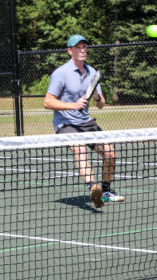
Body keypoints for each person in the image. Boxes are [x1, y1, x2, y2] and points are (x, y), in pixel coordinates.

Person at [43, 34, 124, 208]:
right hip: (66, 124)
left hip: (86, 122)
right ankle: (93, 188)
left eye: (85, 47)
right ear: (70, 51)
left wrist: (97, 97)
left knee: (110, 153)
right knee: (80, 150)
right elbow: (47, 102)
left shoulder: (92, 73)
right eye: (78, 47)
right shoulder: (60, 73)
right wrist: (73, 105)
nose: (82, 50)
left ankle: (106, 191)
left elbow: (101, 105)